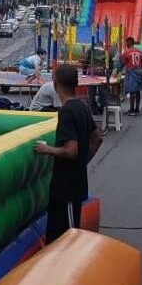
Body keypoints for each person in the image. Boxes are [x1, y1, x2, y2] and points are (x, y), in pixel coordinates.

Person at [33, 64, 102, 243]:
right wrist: (84, 161)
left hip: (66, 188)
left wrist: (46, 149)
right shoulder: (82, 106)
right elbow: (97, 138)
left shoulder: (67, 112)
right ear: (76, 84)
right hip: (74, 184)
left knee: (67, 238)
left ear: (55, 84)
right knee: (57, 236)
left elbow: (71, 151)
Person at [120, 37, 142, 115]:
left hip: (132, 71)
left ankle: (131, 109)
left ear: (129, 43)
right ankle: (137, 108)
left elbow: (122, 63)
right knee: (137, 90)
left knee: (132, 91)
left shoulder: (127, 52)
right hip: (139, 71)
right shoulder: (140, 52)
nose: (126, 44)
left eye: (126, 43)